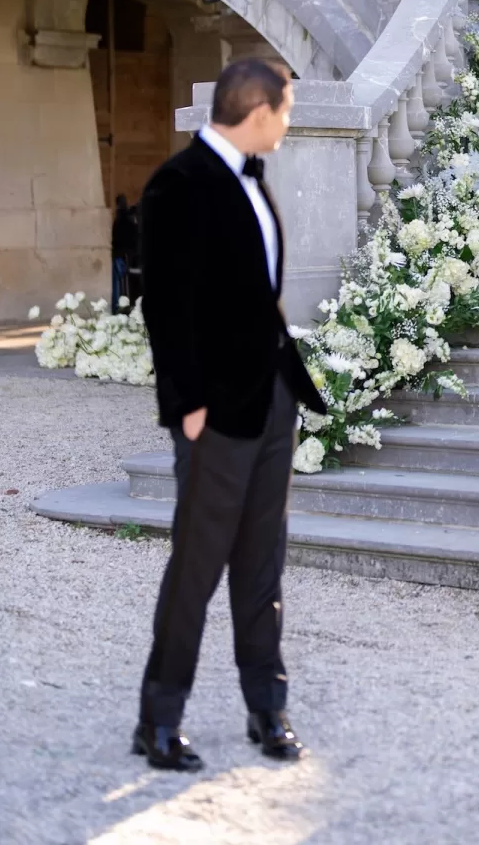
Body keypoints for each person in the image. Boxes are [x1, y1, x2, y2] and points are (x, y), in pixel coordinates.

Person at [133, 57, 328, 773]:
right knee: (197, 567)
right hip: (213, 414)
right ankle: (158, 720)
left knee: (261, 565)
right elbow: (167, 311)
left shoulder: (253, 178)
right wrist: (185, 408)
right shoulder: (177, 184)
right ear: (258, 111)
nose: (289, 120)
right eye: (287, 109)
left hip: (273, 400)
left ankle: (266, 708)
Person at [111, 194, 138, 308]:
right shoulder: (127, 218)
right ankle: (124, 305)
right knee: (124, 282)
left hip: (124, 254)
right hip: (125, 254)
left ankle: (123, 305)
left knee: (124, 282)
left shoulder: (122, 218)